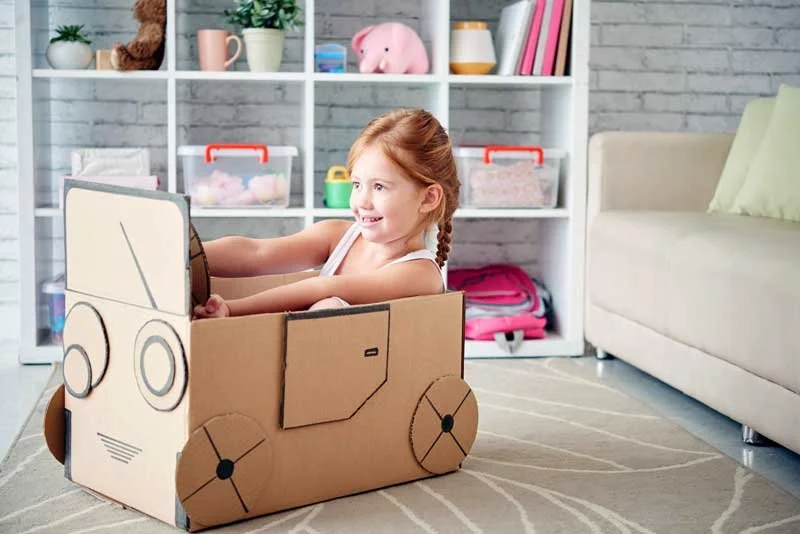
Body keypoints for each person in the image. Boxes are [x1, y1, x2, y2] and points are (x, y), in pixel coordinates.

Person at [193, 108, 460, 319]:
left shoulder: (421, 274)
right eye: (357, 184)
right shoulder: (338, 236)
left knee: (328, 305)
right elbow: (256, 253)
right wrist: (185, 254)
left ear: (428, 198)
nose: (362, 200)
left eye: (379, 187)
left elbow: (322, 288)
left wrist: (232, 309)